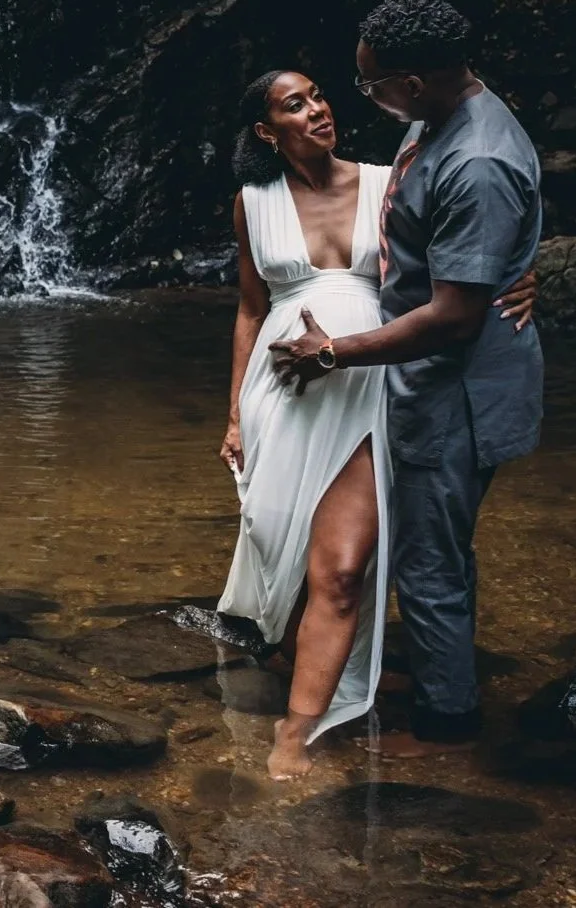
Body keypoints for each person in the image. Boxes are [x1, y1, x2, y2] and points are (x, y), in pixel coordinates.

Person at [218, 55, 535, 779]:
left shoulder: (386, 183)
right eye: (295, 105)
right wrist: (233, 413)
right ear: (266, 132)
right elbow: (248, 307)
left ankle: (295, 732)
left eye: (319, 95)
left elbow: (467, 244)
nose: (317, 110)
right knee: (281, 549)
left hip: (364, 384)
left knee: (340, 568)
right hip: (280, 394)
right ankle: (301, 659)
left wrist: (524, 273)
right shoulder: (250, 201)